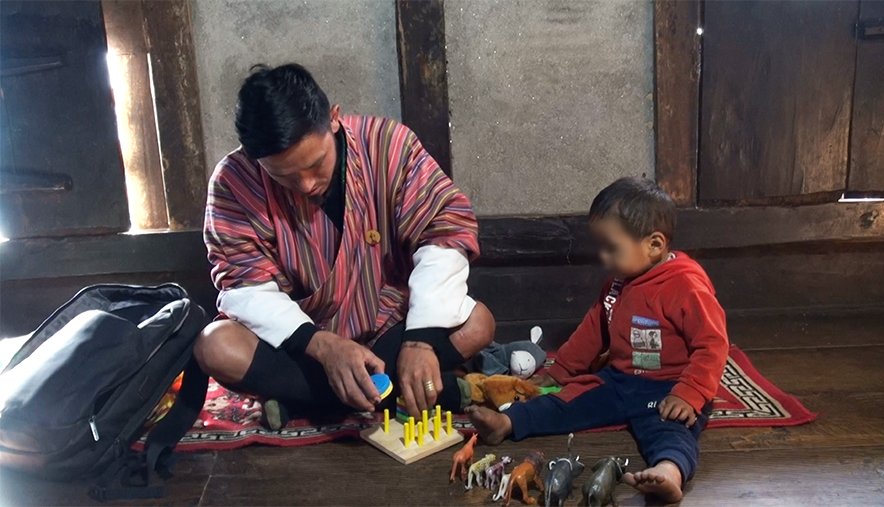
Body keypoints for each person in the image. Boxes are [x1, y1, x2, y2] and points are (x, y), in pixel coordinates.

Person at [195, 63, 495, 429]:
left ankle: (307, 401)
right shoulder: (233, 183)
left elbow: (443, 231)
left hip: (384, 323)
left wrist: (419, 342)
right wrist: (323, 345)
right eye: (284, 176)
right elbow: (245, 288)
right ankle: (388, 391)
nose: (306, 185)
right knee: (215, 345)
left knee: (479, 323)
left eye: (315, 164)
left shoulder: (387, 145)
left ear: (333, 119)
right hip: (301, 341)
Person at [467, 177, 729, 503]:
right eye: (600, 247)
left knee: (672, 432)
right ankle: (506, 423)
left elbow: (713, 344)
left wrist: (690, 393)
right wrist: (560, 372)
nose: (603, 258)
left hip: (668, 388)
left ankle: (668, 472)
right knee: (566, 401)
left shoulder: (686, 285)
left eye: (612, 248)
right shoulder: (617, 284)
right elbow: (593, 331)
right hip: (618, 381)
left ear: (655, 244)